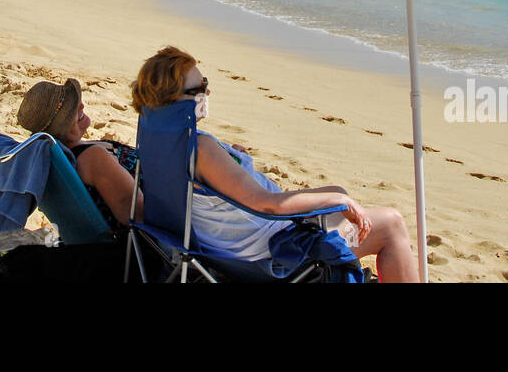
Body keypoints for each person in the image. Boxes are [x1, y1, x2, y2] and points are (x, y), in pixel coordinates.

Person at [130, 46, 421, 282]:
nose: (209, 92)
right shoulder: (201, 149)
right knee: (391, 224)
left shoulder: (161, 136)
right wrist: (339, 200)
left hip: (222, 243)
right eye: (201, 87)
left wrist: (232, 159)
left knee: (338, 192)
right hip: (267, 253)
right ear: (177, 100)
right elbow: (267, 205)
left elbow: (204, 185)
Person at [17, 78, 143, 235]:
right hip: (155, 238)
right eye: (71, 110)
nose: (82, 105)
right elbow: (135, 212)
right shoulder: (93, 158)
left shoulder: (57, 157)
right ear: (60, 127)